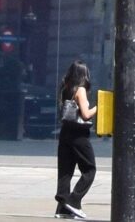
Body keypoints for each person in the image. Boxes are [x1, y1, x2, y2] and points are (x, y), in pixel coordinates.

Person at [53, 60, 96, 221]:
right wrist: (100, 107)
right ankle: (74, 201)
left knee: (65, 171)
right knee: (90, 169)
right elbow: (85, 115)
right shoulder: (81, 90)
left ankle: (62, 208)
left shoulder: (65, 88)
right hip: (79, 135)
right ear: (84, 75)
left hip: (65, 133)